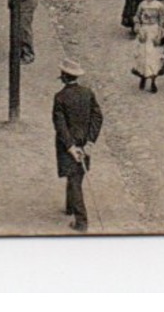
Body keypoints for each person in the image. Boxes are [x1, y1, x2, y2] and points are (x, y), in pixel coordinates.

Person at [52, 60, 103, 233]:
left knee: (74, 180)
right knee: (76, 175)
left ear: (64, 78)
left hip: (68, 146)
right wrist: (90, 142)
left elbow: (60, 126)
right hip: (85, 143)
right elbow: (98, 118)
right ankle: (70, 207)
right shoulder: (88, 93)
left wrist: (71, 147)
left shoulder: (60, 97)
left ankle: (81, 222)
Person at [132, 0, 164, 92]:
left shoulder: (159, 6)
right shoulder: (141, 5)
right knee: (143, 55)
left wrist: (160, 35)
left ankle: (153, 80)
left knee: (153, 56)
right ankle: (143, 76)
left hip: (154, 31)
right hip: (144, 31)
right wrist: (138, 28)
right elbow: (137, 17)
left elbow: (163, 21)